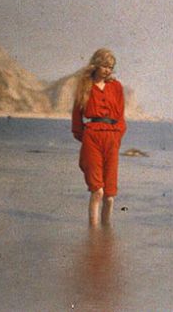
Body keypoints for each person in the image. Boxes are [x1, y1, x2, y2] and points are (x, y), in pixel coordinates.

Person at [71, 48, 126, 226]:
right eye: (104, 66)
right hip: (92, 136)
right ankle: (93, 234)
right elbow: (76, 117)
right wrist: (85, 137)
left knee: (110, 195)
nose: (107, 70)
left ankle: (106, 232)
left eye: (111, 67)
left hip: (111, 137)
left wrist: (117, 137)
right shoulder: (85, 86)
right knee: (98, 191)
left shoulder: (116, 87)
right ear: (95, 65)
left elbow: (121, 117)